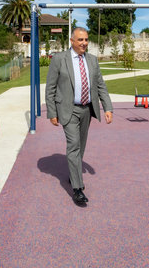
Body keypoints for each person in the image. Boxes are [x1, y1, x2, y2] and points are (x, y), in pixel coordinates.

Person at [45, 27, 113, 206]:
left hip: (87, 110)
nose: (84, 43)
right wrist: (52, 112)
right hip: (68, 110)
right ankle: (77, 189)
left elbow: (100, 85)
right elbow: (50, 87)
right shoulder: (59, 59)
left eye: (86, 40)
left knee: (81, 146)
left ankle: (73, 173)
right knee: (74, 145)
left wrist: (108, 107)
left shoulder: (92, 60)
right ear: (72, 40)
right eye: (80, 40)